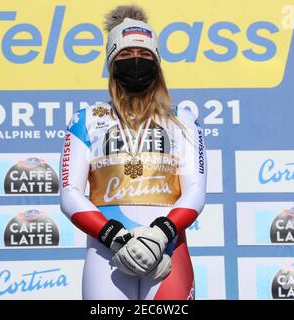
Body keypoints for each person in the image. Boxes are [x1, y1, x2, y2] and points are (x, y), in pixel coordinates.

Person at [59, 4, 207, 300]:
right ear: (112, 64)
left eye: (145, 56)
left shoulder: (184, 120)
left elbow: (195, 192)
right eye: (125, 55)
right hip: (107, 253)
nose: (135, 61)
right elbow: (69, 192)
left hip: (168, 249)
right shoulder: (86, 119)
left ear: (157, 65)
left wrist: (160, 234)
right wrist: (115, 236)